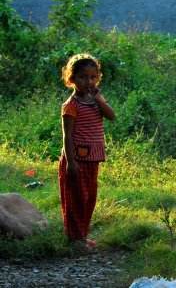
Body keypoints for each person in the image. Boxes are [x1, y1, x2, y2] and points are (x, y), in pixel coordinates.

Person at [59, 53, 116, 249]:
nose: (88, 81)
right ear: (71, 79)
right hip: (76, 160)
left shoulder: (96, 101)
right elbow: (68, 136)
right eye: (82, 77)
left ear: (98, 78)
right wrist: (71, 162)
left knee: (89, 198)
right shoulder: (70, 106)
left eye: (93, 77)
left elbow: (112, 116)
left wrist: (99, 99)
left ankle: (82, 236)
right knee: (76, 199)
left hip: (92, 159)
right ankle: (75, 239)